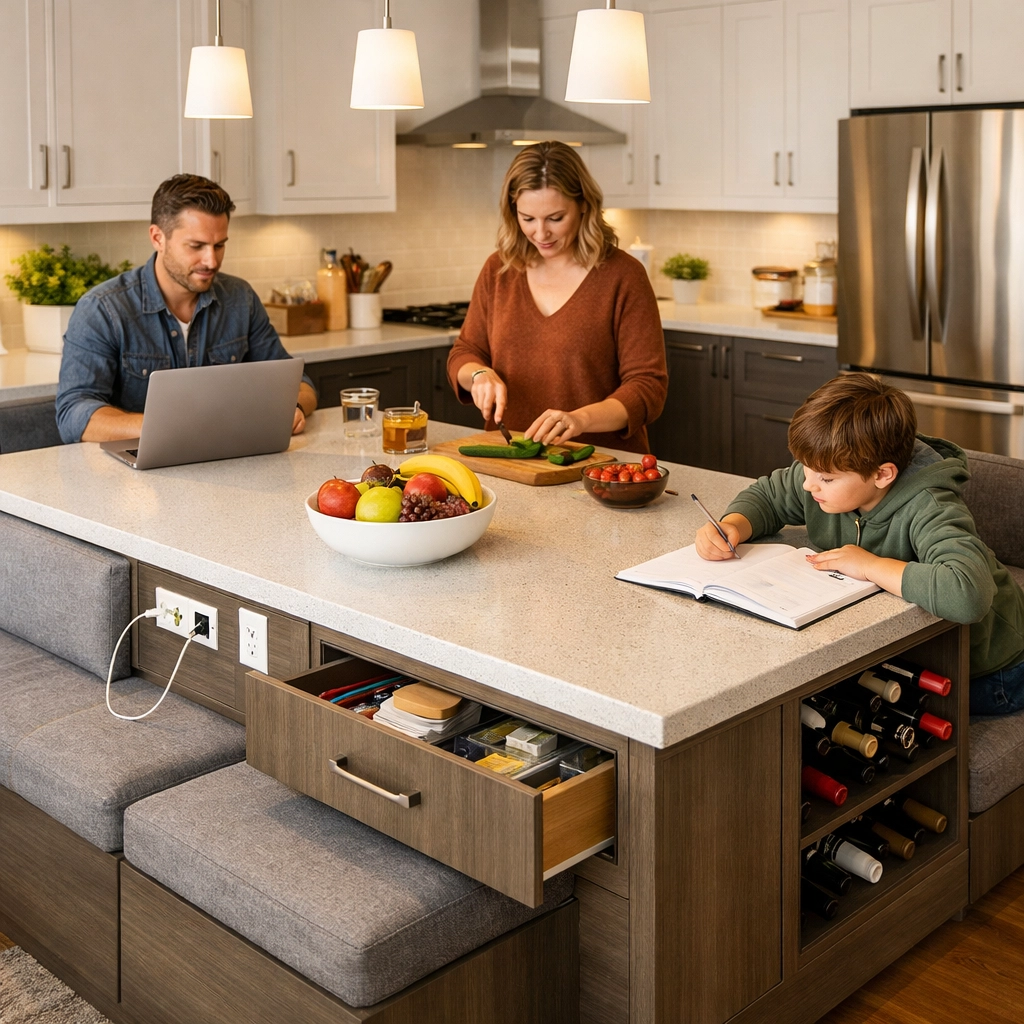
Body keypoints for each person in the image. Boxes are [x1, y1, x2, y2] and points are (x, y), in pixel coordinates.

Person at [695, 373, 1024, 715]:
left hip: (991, 671)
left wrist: (870, 565)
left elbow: (967, 594)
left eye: (826, 478)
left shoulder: (930, 505)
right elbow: (769, 496)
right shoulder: (827, 471)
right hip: (901, 652)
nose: (808, 485)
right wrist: (733, 524)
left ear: (882, 474)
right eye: (806, 469)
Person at [55, 174, 317, 444]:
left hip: (227, 457)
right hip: (135, 467)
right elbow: (74, 414)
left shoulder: (240, 298)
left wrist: (294, 407)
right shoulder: (102, 309)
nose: (211, 261)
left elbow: (299, 383)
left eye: (219, 245)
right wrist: (169, 427)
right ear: (158, 238)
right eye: (196, 246)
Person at [447, 142, 667, 454]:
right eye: (527, 218)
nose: (540, 233)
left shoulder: (624, 276)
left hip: (603, 466)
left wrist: (579, 420)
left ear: (584, 205)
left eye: (555, 218)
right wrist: (479, 374)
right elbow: (465, 352)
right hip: (512, 462)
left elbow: (647, 387)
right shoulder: (499, 270)